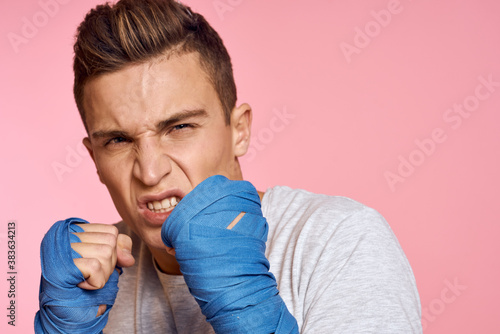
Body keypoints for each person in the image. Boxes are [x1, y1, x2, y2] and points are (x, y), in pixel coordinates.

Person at [36, 0, 422, 333]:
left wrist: (246, 307)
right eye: (118, 141)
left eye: (179, 127)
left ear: (239, 130)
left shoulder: (339, 241)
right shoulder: (91, 282)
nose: (150, 173)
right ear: (94, 160)